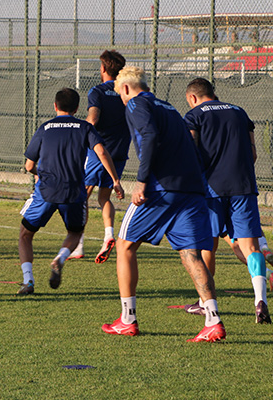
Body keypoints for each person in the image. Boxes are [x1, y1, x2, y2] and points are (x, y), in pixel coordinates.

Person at [102, 67, 225, 342]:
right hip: (191, 189)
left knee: (124, 246)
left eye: (120, 94)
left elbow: (149, 136)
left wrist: (142, 181)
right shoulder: (169, 108)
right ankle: (213, 320)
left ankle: (127, 319)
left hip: (161, 188)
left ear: (125, 88)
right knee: (191, 254)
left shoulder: (135, 104)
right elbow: (191, 146)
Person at [18, 88, 124, 295]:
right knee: (75, 232)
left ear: (55, 106)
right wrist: (115, 180)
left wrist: (41, 173)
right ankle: (60, 258)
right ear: (76, 108)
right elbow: (101, 152)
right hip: (75, 191)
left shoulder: (45, 128)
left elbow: (29, 166)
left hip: (46, 191)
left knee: (25, 234)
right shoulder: (85, 127)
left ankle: (28, 280)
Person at [182, 77, 269, 323]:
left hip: (210, 190)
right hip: (243, 187)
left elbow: (191, 154)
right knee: (251, 247)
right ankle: (260, 300)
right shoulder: (240, 112)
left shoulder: (194, 116)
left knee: (207, 246)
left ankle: (205, 303)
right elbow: (252, 153)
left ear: (193, 97)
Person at [70, 50, 130, 263]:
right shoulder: (126, 91)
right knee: (104, 197)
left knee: (82, 196)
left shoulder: (97, 91)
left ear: (103, 68)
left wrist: (79, 133)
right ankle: (108, 236)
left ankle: (77, 245)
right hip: (120, 151)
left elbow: (93, 119)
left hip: (98, 151)